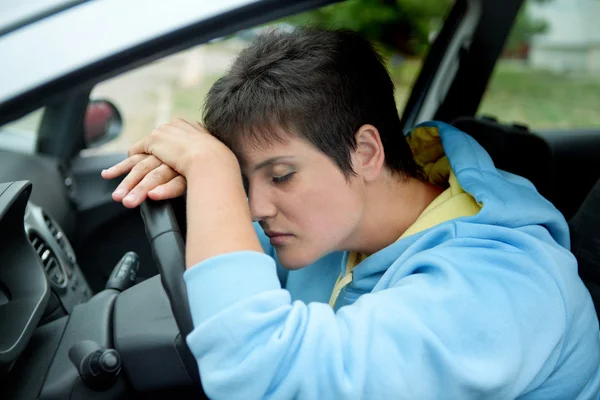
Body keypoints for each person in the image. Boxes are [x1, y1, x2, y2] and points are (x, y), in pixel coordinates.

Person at [101, 28, 600, 399]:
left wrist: (211, 170)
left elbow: (260, 373)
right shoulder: (336, 225)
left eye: (280, 175)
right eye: (243, 180)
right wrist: (208, 191)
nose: (255, 207)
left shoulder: (499, 290)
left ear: (365, 151)